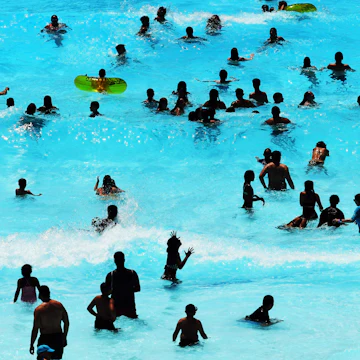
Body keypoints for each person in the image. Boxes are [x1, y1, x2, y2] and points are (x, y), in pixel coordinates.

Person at [30, 286, 69, 360]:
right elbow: (66, 322)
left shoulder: (39, 310)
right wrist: (64, 337)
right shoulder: (59, 305)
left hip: (45, 338)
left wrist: (32, 344)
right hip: (58, 337)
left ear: (39, 295)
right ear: (49, 293)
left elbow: (35, 329)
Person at [105, 251, 141, 318]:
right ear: (124, 260)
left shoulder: (111, 275)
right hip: (130, 306)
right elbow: (138, 289)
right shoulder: (132, 273)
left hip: (116, 307)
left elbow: (106, 292)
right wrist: (127, 289)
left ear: (114, 261)